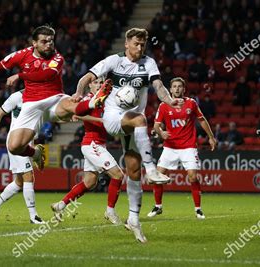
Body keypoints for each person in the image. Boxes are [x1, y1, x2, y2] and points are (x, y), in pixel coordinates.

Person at [73, 28, 184, 243]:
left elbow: (158, 86)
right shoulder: (113, 61)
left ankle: (133, 219)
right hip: (114, 117)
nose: (140, 48)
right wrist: (79, 93)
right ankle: (152, 170)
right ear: (126, 44)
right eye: (136, 44)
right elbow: (86, 77)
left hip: (133, 122)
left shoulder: (149, 63)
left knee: (133, 170)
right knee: (141, 120)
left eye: (143, 44)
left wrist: (169, 100)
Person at [0, 25, 88, 170]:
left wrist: (20, 75)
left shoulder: (57, 57)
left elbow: (46, 75)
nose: (49, 44)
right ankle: (36, 153)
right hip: (31, 104)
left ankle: (94, 100)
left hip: (54, 99)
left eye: (51, 41)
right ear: (34, 43)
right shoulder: (22, 55)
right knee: (14, 147)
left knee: (74, 106)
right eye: (44, 41)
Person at [50, 78, 125, 225]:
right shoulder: (88, 99)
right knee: (117, 175)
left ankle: (61, 205)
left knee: (90, 182)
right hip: (92, 143)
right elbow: (78, 115)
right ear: (89, 85)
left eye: (101, 82)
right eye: (96, 82)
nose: (99, 84)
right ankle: (110, 211)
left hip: (98, 144)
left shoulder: (103, 99)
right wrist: (103, 121)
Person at [147, 77, 217, 219]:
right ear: (170, 89)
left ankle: (198, 209)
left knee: (193, 176)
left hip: (188, 147)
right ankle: (158, 206)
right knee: (157, 176)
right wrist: (161, 132)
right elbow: (156, 125)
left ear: (184, 89)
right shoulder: (164, 106)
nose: (177, 89)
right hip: (170, 147)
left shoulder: (191, 103)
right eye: (174, 86)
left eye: (180, 86)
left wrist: (211, 137)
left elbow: (202, 120)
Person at [0, 90, 44, 224]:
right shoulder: (17, 97)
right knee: (29, 176)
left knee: (19, 182)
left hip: (27, 141)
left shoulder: (42, 96)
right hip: (16, 141)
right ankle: (33, 216)